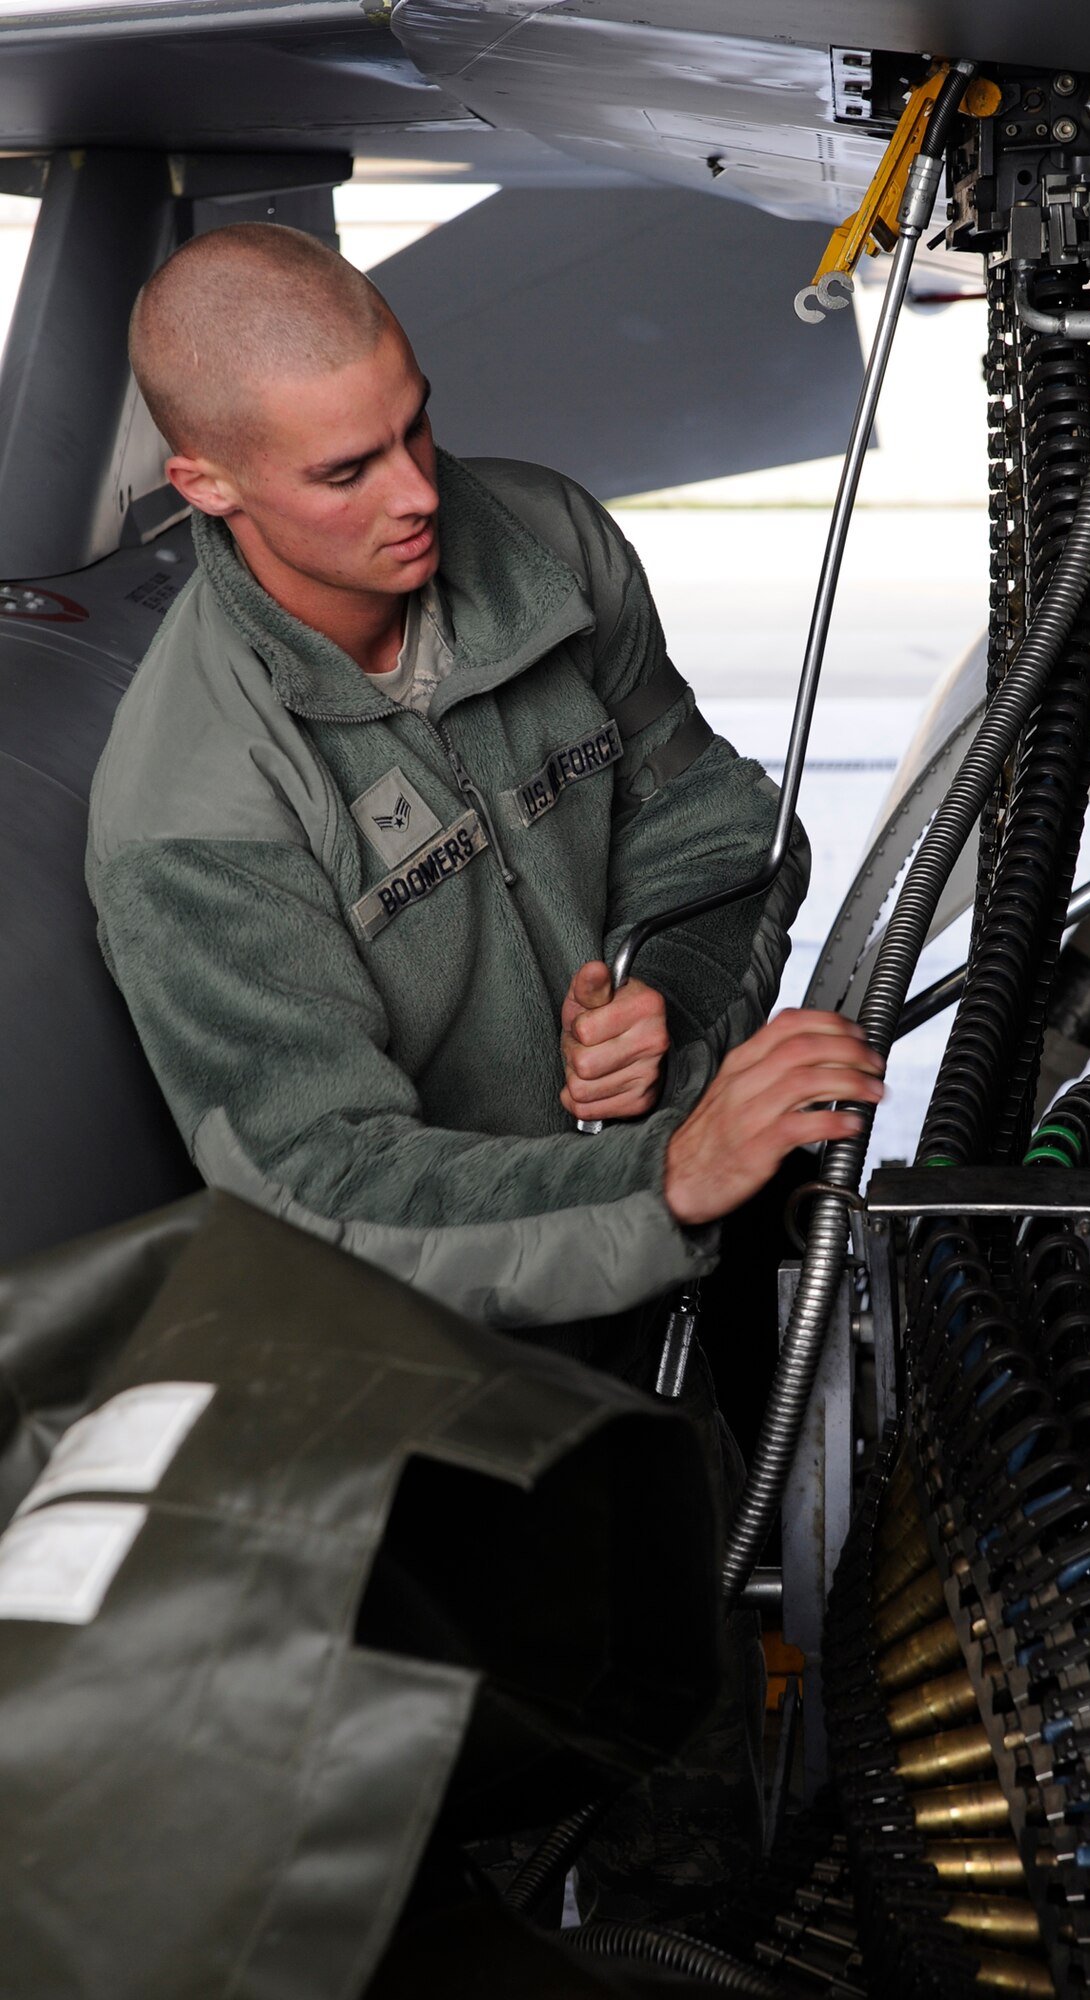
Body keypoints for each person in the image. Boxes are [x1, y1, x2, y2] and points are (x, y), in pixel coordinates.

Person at [86, 223, 883, 1921]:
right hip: (461, 1410)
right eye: (345, 469)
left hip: (686, 1293)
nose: (417, 494)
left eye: (418, 425)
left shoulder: (547, 544)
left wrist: (663, 1000)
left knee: (789, 1761)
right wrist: (662, 1177)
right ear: (206, 484)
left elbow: (712, 828)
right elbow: (319, 1189)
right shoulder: (195, 807)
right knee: (572, 1851)